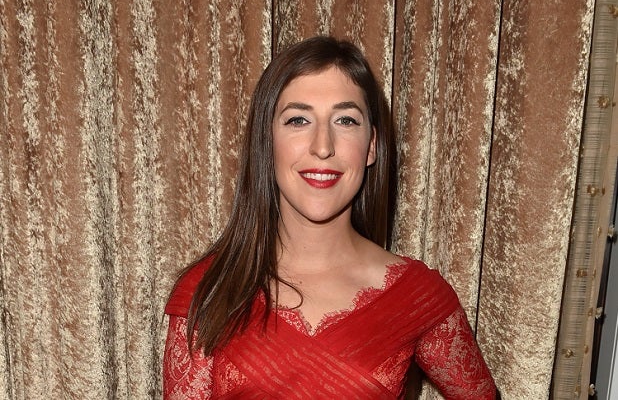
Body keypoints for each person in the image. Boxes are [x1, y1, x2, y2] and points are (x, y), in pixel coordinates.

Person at [163, 36, 497, 399]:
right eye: (298, 120)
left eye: (345, 120)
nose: (323, 146)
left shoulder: (416, 294)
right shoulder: (208, 290)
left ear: (371, 146)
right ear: (267, 141)